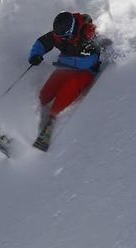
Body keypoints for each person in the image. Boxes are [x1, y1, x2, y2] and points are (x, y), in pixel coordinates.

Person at [28, 11, 104, 147]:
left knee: (70, 87)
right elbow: (42, 42)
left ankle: (51, 119)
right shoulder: (59, 35)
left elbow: (104, 42)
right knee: (46, 92)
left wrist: (99, 44)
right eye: (58, 36)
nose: (60, 38)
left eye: (63, 36)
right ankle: (28, 115)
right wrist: (35, 55)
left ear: (70, 30)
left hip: (85, 71)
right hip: (65, 68)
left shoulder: (88, 33)